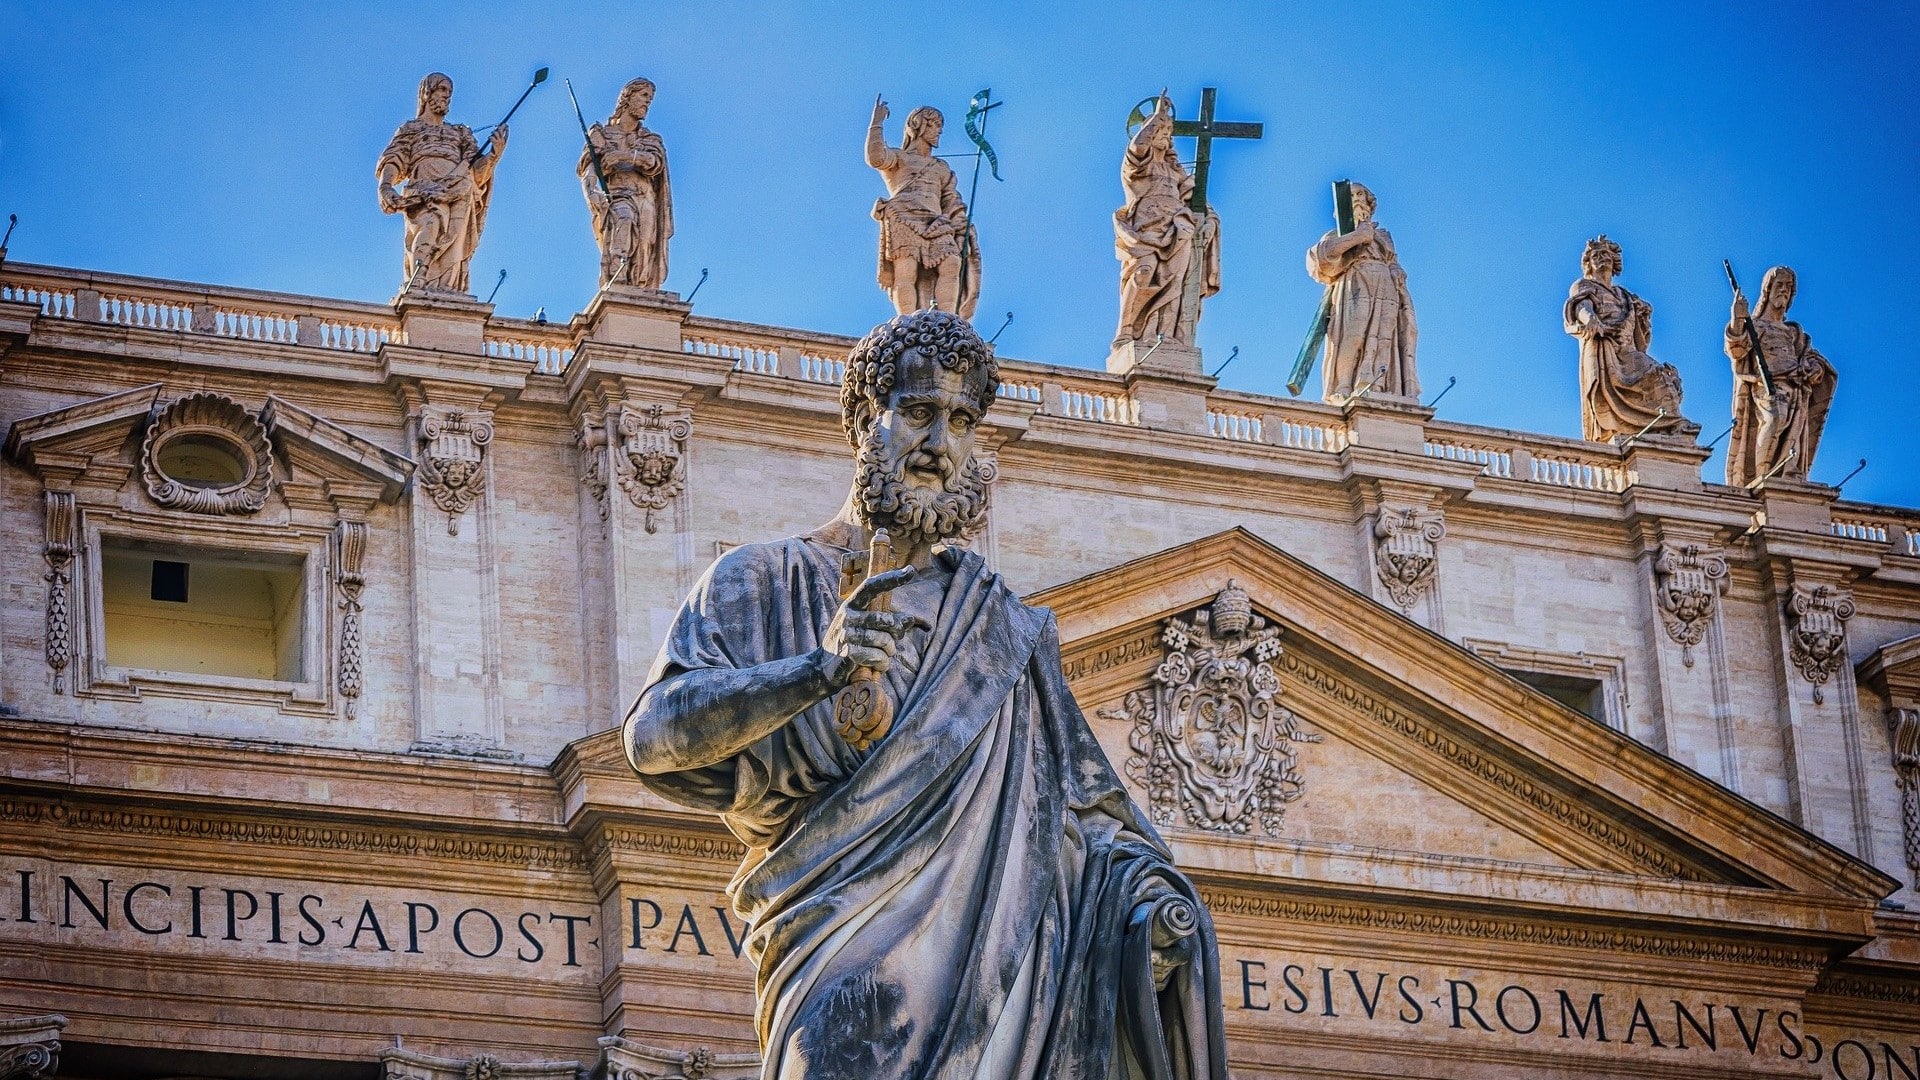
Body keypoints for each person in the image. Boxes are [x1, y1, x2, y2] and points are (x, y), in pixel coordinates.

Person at [624, 310, 1228, 1080]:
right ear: (861, 423)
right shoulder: (764, 581)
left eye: (962, 421)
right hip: (835, 955)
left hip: (999, 980)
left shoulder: (1005, 630)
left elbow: (1091, 823)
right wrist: (814, 671)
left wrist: (1149, 908)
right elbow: (652, 742)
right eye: (916, 413)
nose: (939, 445)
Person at [376, 73, 504, 295]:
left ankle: (447, 290)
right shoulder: (412, 129)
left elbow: (476, 170)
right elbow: (394, 158)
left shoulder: (460, 132)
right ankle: (418, 283)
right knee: (430, 226)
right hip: (423, 191)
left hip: (459, 191)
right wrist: (385, 186)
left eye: (449, 93)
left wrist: (494, 154)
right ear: (428, 92)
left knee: (454, 240)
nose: (447, 96)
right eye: (442, 90)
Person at [1113, 94, 1219, 349]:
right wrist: (1158, 116)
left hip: (1178, 229)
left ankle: (1166, 336)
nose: (1165, 135)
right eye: (1161, 130)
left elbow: (1199, 201)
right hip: (1145, 231)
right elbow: (1138, 146)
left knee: (1176, 282)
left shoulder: (1175, 172)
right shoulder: (1135, 167)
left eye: (1168, 131)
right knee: (1143, 273)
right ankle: (1126, 332)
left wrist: (1210, 221)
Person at [1565, 236, 1693, 443]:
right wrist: (1591, 320)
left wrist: (1642, 314)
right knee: (1606, 391)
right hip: (1603, 345)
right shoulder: (1583, 285)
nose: (1602, 259)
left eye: (1606, 255)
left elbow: (1640, 335)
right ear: (1588, 263)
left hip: (1627, 349)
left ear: (1614, 261)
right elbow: (1581, 307)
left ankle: (1673, 424)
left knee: (1658, 375)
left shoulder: (1624, 294)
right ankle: (1622, 428)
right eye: (1596, 256)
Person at [1305, 182, 1418, 402]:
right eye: (1351, 196)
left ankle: (1380, 386)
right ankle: (1344, 386)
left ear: (1368, 202)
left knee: (1385, 335)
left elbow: (1392, 260)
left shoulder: (1383, 236)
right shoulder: (1335, 235)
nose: (1356, 198)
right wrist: (1357, 237)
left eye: (1360, 194)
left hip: (1385, 283)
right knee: (1353, 334)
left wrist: (1397, 271)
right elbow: (1319, 259)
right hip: (1356, 280)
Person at [867, 99, 980, 318]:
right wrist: (877, 123)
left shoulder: (941, 168)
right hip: (902, 216)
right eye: (934, 125)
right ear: (917, 125)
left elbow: (951, 199)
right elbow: (876, 158)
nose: (938, 131)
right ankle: (906, 322)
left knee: (952, 262)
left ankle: (948, 320)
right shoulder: (900, 158)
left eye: (940, 126)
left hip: (938, 222)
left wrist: (959, 219)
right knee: (906, 270)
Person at [1725, 266, 1836, 486]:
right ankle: (1762, 478)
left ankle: (1784, 478)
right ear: (1767, 290)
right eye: (1780, 285)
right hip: (1765, 386)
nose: (1784, 290)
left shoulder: (1794, 332)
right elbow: (1736, 350)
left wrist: (1814, 367)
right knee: (1775, 419)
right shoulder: (1754, 325)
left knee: (1790, 436)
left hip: (1796, 387)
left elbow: (1811, 357)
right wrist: (1738, 318)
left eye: (1789, 287)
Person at [581, 77, 673, 290]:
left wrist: (625, 157)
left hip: (646, 198)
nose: (647, 102)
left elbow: (655, 162)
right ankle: (617, 278)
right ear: (627, 97)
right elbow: (589, 168)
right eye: (643, 96)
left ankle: (638, 292)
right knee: (624, 218)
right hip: (618, 194)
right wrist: (591, 192)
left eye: (650, 99)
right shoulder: (601, 134)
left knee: (644, 247)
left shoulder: (650, 138)